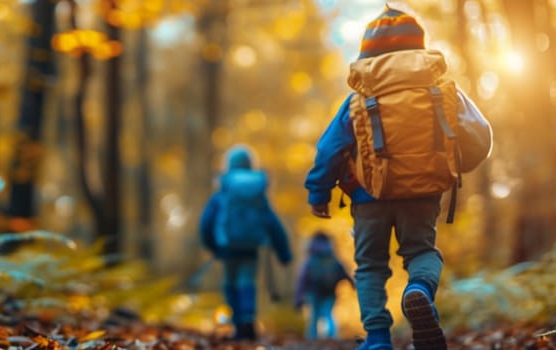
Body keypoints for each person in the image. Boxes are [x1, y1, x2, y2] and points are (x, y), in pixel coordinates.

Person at [306, 5, 484, 350]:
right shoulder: (441, 92)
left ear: (366, 52)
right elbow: (479, 137)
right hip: (423, 192)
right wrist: (453, 169)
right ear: (419, 49)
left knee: (370, 266)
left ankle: (376, 340)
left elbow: (329, 149)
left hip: (367, 196)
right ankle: (419, 290)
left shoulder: (358, 99)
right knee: (422, 252)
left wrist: (319, 193)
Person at [199, 145, 293, 341]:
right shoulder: (258, 192)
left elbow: (206, 222)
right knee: (247, 281)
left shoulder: (223, 190)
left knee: (230, 283)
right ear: (251, 164)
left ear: (229, 165)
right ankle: (248, 322)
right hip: (251, 245)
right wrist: (283, 252)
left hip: (227, 247)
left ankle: (237, 325)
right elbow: (271, 222)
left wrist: (213, 246)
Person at [294, 231, 351, 340]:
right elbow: (344, 272)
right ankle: (332, 336)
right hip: (330, 292)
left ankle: (312, 338)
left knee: (314, 316)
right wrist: (354, 284)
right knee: (328, 314)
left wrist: (298, 299)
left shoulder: (310, 260)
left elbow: (302, 280)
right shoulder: (332, 257)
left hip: (313, 292)